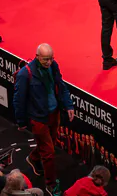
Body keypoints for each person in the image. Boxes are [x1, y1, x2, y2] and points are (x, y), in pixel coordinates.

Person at [13, 43, 74, 195]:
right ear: (37, 57)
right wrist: (21, 121)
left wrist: (68, 105)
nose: (49, 62)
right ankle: (51, 185)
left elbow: (61, 85)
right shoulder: (24, 74)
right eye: (45, 59)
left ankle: (33, 157)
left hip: (54, 113)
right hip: (38, 118)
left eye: (51, 59)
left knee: (50, 144)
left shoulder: (53, 66)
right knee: (49, 153)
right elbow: (19, 100)